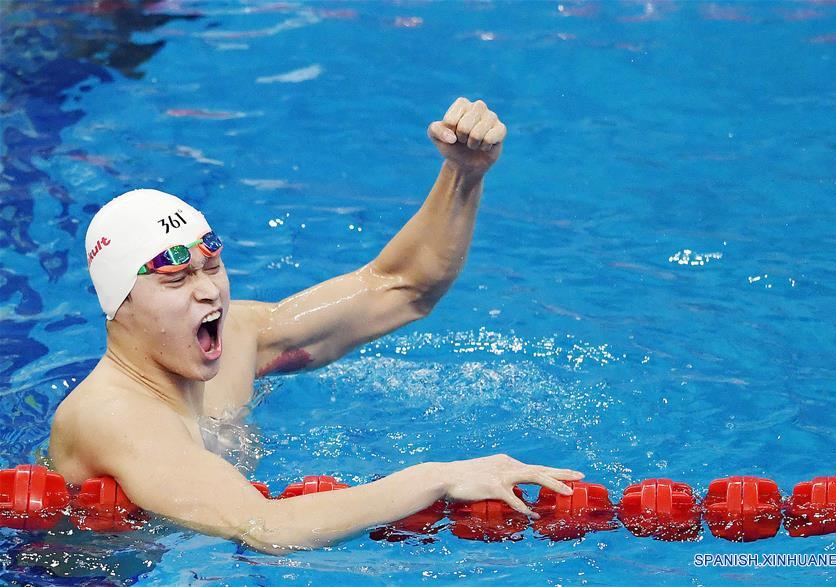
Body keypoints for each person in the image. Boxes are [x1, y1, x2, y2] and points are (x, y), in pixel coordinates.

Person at [49, 97, 583, 553]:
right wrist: (437, 477)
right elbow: (265, 526)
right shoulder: (114, 417)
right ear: (118, 304)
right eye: (176, 280)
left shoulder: (238, 337)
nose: (209, 290)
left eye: (212, 266)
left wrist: (464, 174)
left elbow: (403, 287)